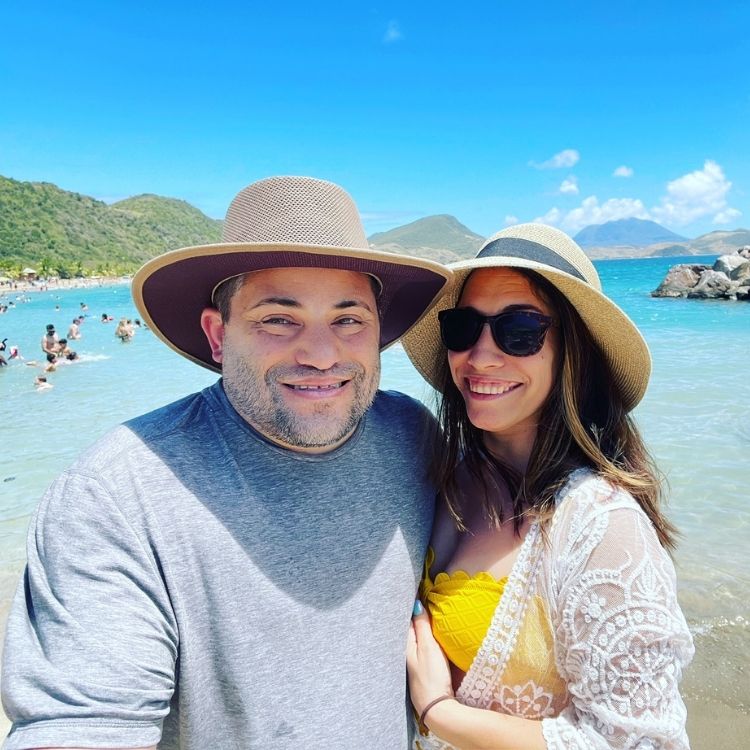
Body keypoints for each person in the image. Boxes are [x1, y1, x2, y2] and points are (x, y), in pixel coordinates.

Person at [1, 176, 451, 750]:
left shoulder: (411, 435)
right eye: (278, 319)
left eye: (348, 319)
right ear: (217, 336)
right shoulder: (117, 496)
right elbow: (85, 723)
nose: (321, 354)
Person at [401, 224, 694, 749]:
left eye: (519, 330)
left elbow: (642, 743)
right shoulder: (440, 473)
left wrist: (441, 713)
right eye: (463, 327)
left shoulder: (602, 525)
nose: (481, 356)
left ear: (574, 353)